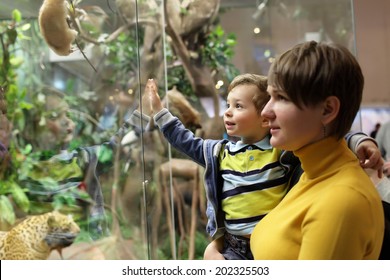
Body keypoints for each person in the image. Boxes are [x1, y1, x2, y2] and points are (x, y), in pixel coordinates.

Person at [140, 74, 382, 260]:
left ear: (264, 119)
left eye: (238, 106)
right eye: (228, 104)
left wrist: (360, 140)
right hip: (233, 248)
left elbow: (326, 136)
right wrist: (160, 112)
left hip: (267, 247)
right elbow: (185, 141)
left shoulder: (282, 152)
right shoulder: (220, 152)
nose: (227, 112)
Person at [250, 41, 384, 259]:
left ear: (328, 109)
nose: (265, 111)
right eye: (270, 97)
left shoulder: (342, 200)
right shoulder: (311, 176)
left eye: (281, 98)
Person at [20, 86, 129, 239]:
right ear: (37, 126)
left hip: (83, 247)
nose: (67, 122)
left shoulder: (82, 159)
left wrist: (141, 115)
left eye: (68, 115)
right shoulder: (26, 169)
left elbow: (115, 147)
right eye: (55, 116)